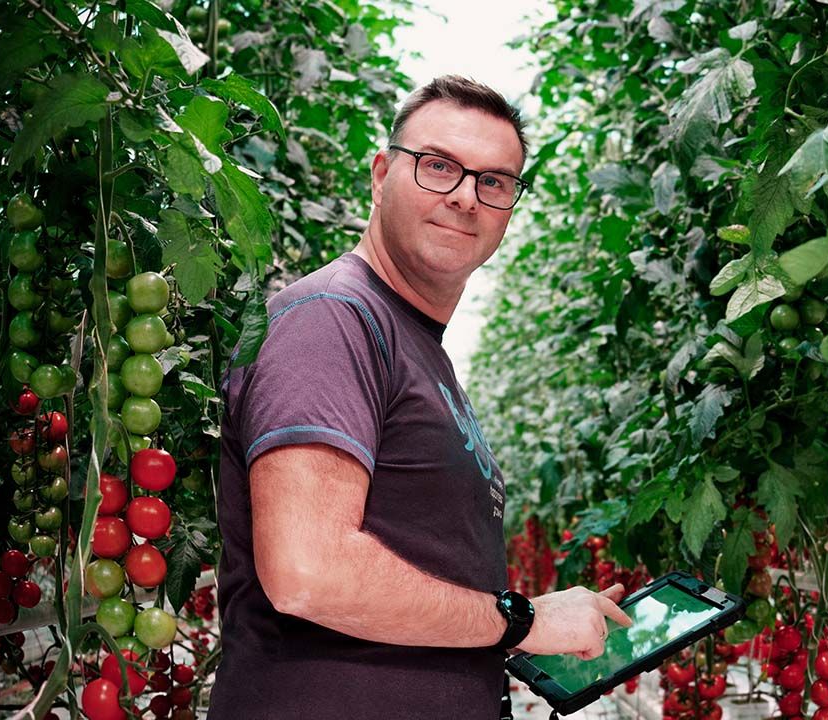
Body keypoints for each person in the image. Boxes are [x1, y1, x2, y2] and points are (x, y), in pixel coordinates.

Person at [208, 75, 632, 720]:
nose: (466, 197)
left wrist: (528, 627)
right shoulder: (333, 320)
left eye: (494, 182)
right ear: (381, 176)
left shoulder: (416, 346)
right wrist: (521, 620)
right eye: (438, 166)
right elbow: (307, 571)